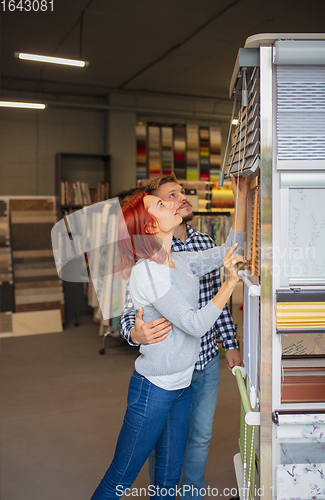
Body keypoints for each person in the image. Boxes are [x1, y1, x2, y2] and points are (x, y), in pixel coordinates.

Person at [91, 189, 246, 500]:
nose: (174, 203)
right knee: (120, 478)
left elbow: (231, 247)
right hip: (153, 391)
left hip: (181, 385)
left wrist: (241, 193)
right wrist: (230, 283)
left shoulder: (180, 261)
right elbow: (195, 324)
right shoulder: (148, 271)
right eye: (162, 203)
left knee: (167, 479)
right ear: (150, 226)